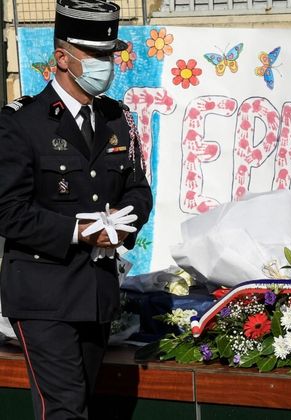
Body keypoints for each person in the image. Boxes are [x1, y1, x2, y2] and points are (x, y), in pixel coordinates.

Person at [0, 0, 153, 418]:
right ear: (62, 58)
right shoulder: (20, 123)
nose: (107, 64)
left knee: (87, 405)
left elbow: (138, 189)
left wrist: (124, 224)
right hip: (43, 294)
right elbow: (8, 210)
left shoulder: (117, 118)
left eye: (111, 55)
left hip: (97, 293)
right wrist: (80, 232)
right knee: (64, 411)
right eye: (97, 56)